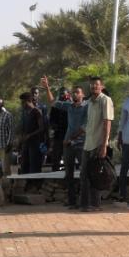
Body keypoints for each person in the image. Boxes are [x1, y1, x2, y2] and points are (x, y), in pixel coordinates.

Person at [40, 78, 89, 206]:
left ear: (82, 95)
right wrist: (47, 88)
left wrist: (70, 139)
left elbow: (84, 127)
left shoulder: (87, 107)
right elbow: (52, 102)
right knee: (69, 174)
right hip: (68, 145)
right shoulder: (69, 106)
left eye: (77, 92)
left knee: (84, 173)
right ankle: (72, 201)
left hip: (81, 144)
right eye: (73, 92)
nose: (75, 94)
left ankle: (84, 201)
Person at [78, 77, 114, 211]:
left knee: (95, 175)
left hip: (98, 144)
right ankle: (85, 204)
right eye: (92, 85)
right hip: (88, 143)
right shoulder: (90, 102)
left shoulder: (105, 100)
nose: (94, 87)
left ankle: (94, 204)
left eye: (96, 85)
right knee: (85, 175)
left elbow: (107, 123)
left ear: (102, 86)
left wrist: (104, 145)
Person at [18, 92, 46, 174]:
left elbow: (41, 128)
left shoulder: (37, 112)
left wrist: (30, 135)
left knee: (34, 167)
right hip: (25, 143)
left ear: (29, 101)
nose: (22, 104)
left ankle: (35, 185)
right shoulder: (25, 112)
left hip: (35, 144)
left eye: (23, 102)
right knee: (24, 166)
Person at [46, 87, 70, 170]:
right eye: (61, 93)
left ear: (68, 94)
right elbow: (51, 120)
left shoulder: (71, 105)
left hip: (68, 136)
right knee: (56, 158)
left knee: (68, 158)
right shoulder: (56, 106)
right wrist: (53, 126)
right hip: (58, 136)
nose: (62, 95)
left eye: (64, 93)